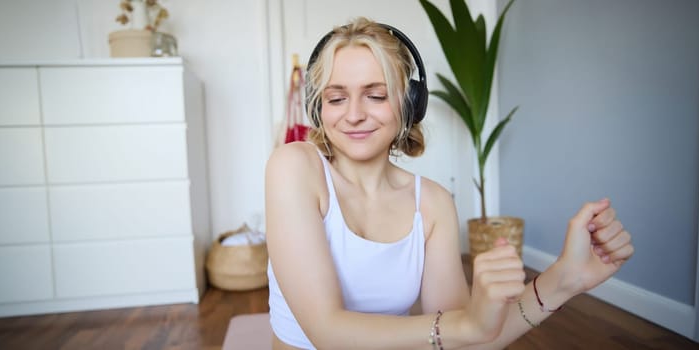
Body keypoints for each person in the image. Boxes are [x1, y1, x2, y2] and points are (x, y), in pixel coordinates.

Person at [265, 17, 635, 349]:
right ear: (319, 108)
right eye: (336, 98)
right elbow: (327, 332)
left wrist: (563, 278)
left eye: (375, 96)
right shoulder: (295, 167)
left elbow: (467, 340)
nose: (355, 114)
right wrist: (470, 324)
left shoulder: (433, 204)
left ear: (410, 103)